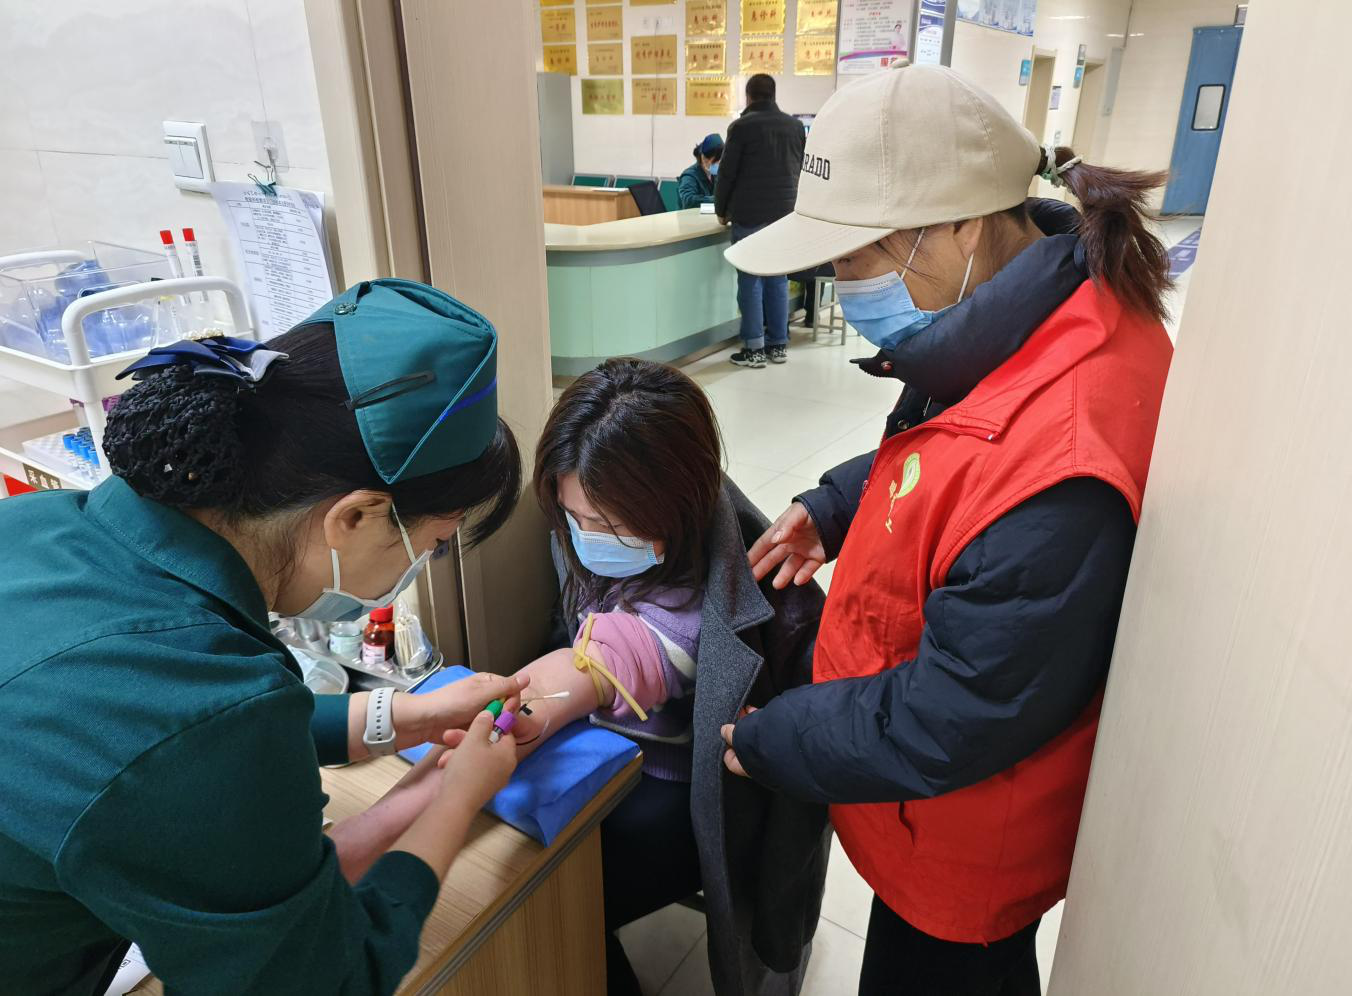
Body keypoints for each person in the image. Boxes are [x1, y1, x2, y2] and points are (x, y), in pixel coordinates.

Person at [719, 64, 1175, 995]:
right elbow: (956, 442)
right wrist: (841, 503)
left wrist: (776, 739)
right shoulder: (1026, 312)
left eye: (852, 259)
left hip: (967, 837)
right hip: (927, 811)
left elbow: (951, 717)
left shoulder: (1065, 470)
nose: (840, 286)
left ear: (961, 224)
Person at [0, 279, 532, 995]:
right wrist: (455, 799)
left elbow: (173, 738)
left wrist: (409, 716)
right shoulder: (206, 707)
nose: (421, 566)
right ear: (356, 517)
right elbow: (328, 978)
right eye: (433, 545)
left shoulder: (35, 524)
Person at [500, 359, 830, 996]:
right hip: (605, 744)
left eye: (610, 525)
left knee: (555, 901)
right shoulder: (591, 519)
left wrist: (515, 710)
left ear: (674, 504)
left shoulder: (691, 614)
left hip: (676, 789)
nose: (586, 537)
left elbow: (600, 664)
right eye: (574, 516)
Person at [714, 73, 806, 369]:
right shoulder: (794, 127)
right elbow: (802, 169)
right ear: (773, 95)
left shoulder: (741, 127)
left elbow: (726, 173)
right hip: (784, 216)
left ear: (749, 96)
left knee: (751, 281)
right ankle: (778, 344)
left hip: (750, 215)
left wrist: (721, 210)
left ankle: (754, 348)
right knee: (778, 279)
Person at [678, 133, 723, 208]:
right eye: (716, 161)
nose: (719, 164)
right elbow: (688, 201)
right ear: (704, 158)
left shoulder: (715, 175)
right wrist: (718, 199)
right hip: (691, 215)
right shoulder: (689, 176)